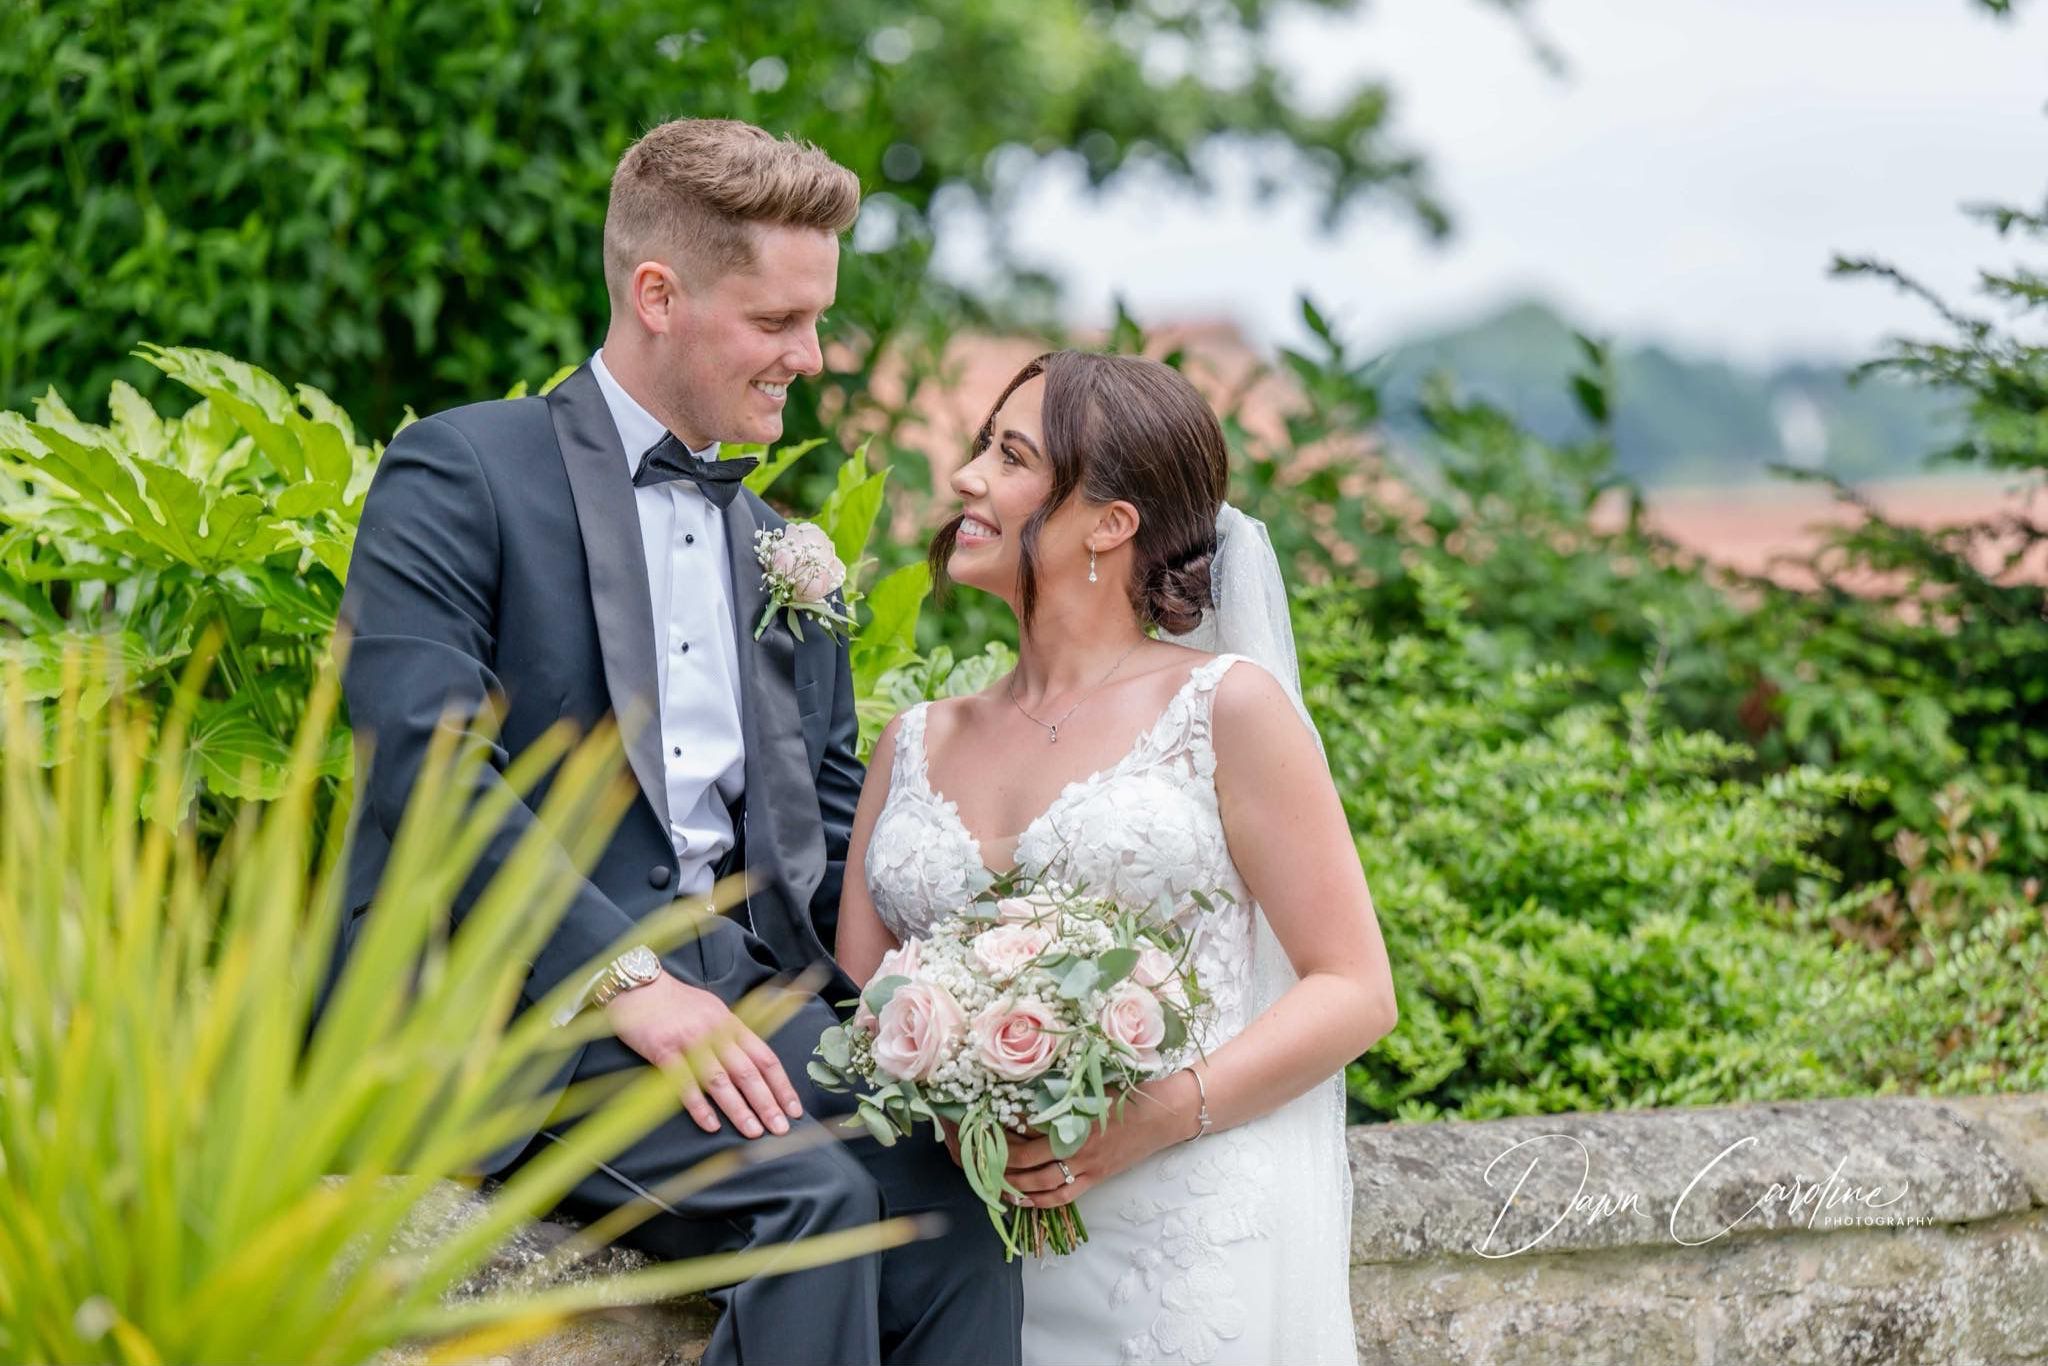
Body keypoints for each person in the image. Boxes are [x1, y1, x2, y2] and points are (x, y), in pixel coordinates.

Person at [330, 117, 1021, 1366]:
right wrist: (631, 982)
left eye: (817, 321)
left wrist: (990, 980)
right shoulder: (461, 471)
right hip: (516, 1009)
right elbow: (423, 763)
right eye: (777, 323)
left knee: (955, 1203)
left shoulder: (780, 544)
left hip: (755, 994)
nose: (809, 356)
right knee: (813, 1205)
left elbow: (824, 812)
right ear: (658, 293)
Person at [835, 350, 1397, 1364]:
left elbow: (1354, 987)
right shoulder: (913, 741)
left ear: (1110, 522)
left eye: (1009, 456)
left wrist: (1153, 1116)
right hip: (963, 1251)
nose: (966, 478)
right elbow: (856, 1001)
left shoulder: (1222, 708)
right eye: (979, 447)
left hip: (1174, 1247)